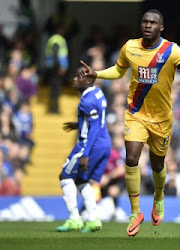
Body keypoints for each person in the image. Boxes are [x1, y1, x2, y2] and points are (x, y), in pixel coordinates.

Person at [80, 9, 180, 236]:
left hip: (162, 119)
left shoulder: (172, 51)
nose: (147, 25)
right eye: (145, 21)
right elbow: (118, 71)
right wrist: (96, 74)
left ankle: (159, 195)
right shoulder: (130, 47)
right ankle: (135, 212)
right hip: (136, 114)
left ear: (160, 27)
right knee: (132, 157)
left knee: (157, 165)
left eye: (153, 23)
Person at [56, 67, 111, 233]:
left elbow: (93, 127)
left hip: (90, 144)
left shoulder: (86, 101)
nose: (74, 79)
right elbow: (96, 120)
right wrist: (79, 124)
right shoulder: (98, 92)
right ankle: (93, 219)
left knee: (65, 176)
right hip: (104, 142)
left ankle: (74, 219)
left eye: (78, 76)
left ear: (87, 80)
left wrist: (85, 154)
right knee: (81, 180)